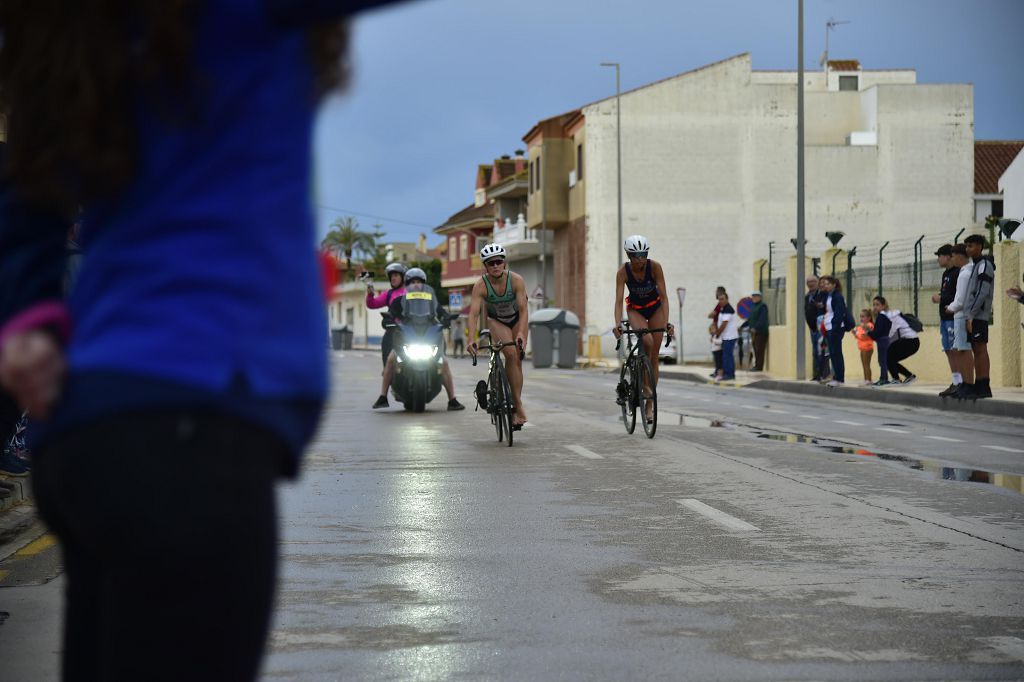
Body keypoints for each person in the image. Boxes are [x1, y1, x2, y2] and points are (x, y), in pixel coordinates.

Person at [0, 3, 403, 679]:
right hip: (197, 422)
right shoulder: (246, 15)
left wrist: (31, 318)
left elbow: (25, 188)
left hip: (83, 430)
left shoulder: (75, 32)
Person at [372, 268, 465, 411]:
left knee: (444, 362)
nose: (416, 285)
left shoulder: (430, 301)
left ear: (423, 284)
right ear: (407, 284)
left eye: (419, 282)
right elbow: (391, 314)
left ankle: (452, 399)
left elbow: (441, 313)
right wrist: (388, 321)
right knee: (391, 359)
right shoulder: (399, 300)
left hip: (426, 337)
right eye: (412, 282)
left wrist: (446, 319)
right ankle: (383, 396)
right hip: (406, 338)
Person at [467, 243, 530, 428]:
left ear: (504, 263)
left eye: (498, 262)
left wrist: (520, 333)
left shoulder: (516, 280)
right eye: (490, 263)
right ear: (485, 266)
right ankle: (516, 405)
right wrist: (471, 339)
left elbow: (524, 310)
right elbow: (474, 314)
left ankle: (515, 402)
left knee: (516, 358)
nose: (495, 266)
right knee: (509, 353)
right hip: (497, 320)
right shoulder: (480, 286)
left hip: (518, 318)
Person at [612, 235, 673, 418]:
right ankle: (642, 386)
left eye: (644, 254)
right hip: (635, 310)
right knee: (646, 340)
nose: (641, 259)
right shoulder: (623, 272)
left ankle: (649, 403)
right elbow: (618, 301)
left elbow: (664, 297)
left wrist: (667, 322)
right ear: (629, 255)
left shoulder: (655, 267)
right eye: (637, 255)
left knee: (654, 354)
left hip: (655, 309)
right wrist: (617, 323)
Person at [962, 234, 996, 399]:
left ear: (980, 247)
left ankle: (984, 386)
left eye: (972, 245)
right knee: (976, 349)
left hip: (978, 316)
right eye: (967, 246)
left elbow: (982, 292)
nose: (968, 249)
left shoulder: (984, 264)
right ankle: (979, 384)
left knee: (981, 349)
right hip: (972, 315)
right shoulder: (975, 265)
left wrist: (971, 315)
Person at [944, 244, 974, 399]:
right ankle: (964, 383)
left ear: (960, 257)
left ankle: (967, 383)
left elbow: (960, 299)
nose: (952, 259)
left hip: (960, 315)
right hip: (961, 315)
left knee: (963, 350)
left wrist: (951, 307)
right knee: (959, 349)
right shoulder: (967, 271)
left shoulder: (964, 274)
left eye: (954, 256)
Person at [931, 245, 960, 396]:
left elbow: (957, 296)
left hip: (952, 318)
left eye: (940, 256)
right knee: (948, 350)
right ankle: (955, 381)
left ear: (948, 256)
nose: (938, 259)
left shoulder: (957, 273)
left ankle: (961, 381)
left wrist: (941, 298)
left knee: (955, 350)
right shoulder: (946, 274)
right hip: (944, 318)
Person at [366, 262, 407, 367]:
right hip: (393, 332)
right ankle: (386, 381)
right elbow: (372, 304)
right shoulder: (388, 294)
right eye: (391, 276)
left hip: (411, 332)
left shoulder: (412, 292)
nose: (393, 278)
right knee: (388, 365)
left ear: (403, 277)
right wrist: (370, 294)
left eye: (396, 275)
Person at [819, 275, 852, 386]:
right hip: (829, 327)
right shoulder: (828, 296)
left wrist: (835, 326)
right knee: (832, 353)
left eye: (829, 284)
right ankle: (836, 377)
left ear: (834, 285)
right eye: (825, 284)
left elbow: (839, 313)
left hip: (836, 328)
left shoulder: (838, 296)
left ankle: (840, 378)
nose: (826, 286)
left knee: (837, 353)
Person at [884, 304, 920, 384]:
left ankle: (896, 379)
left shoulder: (894, 317)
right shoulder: (896, 316)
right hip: (912, 341)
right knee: (890, 359)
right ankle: (908, 375)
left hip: (910, 341)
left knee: (889, 357)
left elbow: (892, 331)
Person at [713, 292, 739, 381]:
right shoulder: (723, 308)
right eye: (719, 299)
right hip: (726, 337)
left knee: (727, 356)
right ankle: (725, 373)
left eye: (723, 299)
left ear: (727, 299)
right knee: (725, 355)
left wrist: (717, 334)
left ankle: (730, 374)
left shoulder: (728, 309)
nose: (721, 301)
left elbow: (724, 324)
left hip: (730, 337)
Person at [867, 297, 893, 386]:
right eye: (874, 305)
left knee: (882, 360)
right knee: (882, 360)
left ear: (883, 306)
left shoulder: (882, 317)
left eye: (877, 305)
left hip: (883, 340)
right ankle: (884, 378)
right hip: (883, 340)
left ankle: (884, 379)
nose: (875, 307)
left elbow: (878, 331)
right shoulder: (882, 316)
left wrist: (869, 334)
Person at [804, 275, 825, 381]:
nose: (811, 283)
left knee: (822, 351)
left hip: (821, 328)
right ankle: (817, 374)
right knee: (815, 352)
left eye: (813, 281)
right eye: (808, 282)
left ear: (817, 282)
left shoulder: (821, 294)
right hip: (812, 328)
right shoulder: (807, 296)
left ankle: (823, 374)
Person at [744, 291, 769, 371]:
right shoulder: (753, 307)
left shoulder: (762, 306)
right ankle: (756, 365)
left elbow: (762, 319)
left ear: (760, 297)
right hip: (754, 332)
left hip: (761, 332)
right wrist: (742, 327)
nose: (754, 298)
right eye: (753, 296)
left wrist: (755, 327)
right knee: (755, 349)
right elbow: (750, 320)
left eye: (756, 296)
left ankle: (759, 367)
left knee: (759, 349)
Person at [707, 286, 726, 377]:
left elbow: (712, 314)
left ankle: (719, 372)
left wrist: (710, 314)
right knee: (716, 354)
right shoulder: (719, 304)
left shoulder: (720, 305)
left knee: (718, 355)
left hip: (718, 331)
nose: (716, 294)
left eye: (717, 292)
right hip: (716, 330)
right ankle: (717, 371)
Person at [853, 309, 875, 385]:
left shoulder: (869, 324)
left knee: (866, 364)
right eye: (860, 317)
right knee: (864, 364)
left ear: (869, 318)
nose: (861, 318)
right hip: (862, 348)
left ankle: (869, 380)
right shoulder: (860, 327)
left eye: (863, 316)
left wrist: (863, 328)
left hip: (868, 348)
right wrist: (854, 332)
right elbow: (858, 336)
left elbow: (865, 335)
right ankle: (866, 379)